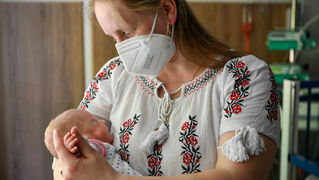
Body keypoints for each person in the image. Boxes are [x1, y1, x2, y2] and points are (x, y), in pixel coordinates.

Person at [45, 0, 280, 179]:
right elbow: (66, 157)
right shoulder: (113, 76)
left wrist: (111, 177)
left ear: (168, 10)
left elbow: (235, 176)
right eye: (113, 38)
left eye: (126, 33)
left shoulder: (244, 77)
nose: (120, 48)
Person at [46, 109, 142, 179]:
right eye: (95, 121)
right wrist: (74, 150)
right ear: (80, 137)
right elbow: (82, 154)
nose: (103, 121)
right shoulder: (90, 146)